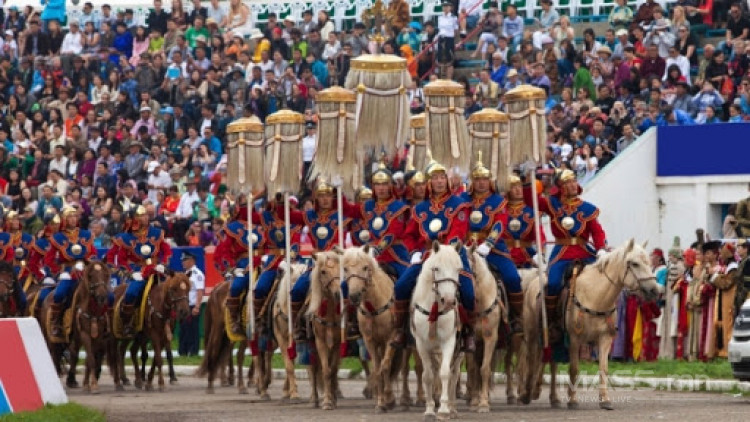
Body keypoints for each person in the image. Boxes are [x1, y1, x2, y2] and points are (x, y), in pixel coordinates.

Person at [391, 159, 476, 352]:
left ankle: (469, 330)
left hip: (453, 253)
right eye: (435, 178)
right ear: (429, 182)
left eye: (442, 177)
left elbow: (458, 233)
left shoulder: (459, 205)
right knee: (401, 286)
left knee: (469, 292)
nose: (439, 182)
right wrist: (413, 252)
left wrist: (446, 251)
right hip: (427, 254)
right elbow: (409, 234)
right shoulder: (420, 209)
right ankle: (401, 329)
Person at [534, 169, 607, 343]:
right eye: (568, 182)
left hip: (584, 251)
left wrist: (601, 249)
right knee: (552, 283)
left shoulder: (586, 208)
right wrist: (534, 183)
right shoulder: (553, 204)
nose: (573, 184)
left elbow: (597, 232)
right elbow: (534, 202)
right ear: (561, 187)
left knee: (605, 278)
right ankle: (552, 321)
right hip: (562, 251)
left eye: (574, 181)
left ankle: (604, 319)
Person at [462, 156, 524, 331]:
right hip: (466, 247)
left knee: (512, 278)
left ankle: (516, 318)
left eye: (485, 179)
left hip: (493, 249)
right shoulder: (462, 199)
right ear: (472, 181)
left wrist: (488, 244)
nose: (481, 183)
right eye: (478, 179)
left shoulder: (499, 201)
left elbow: (499, 224)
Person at [106, 204, 172, 337]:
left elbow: (166, 250)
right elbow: (122, 260)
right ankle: (128, 323)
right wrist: (130, 272)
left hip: (156, 269)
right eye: (141, 215)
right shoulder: (126, 237)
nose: (145, 218)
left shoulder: (156, 232)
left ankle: (169, 322)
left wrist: (163, 264)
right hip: (137, 271)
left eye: (146, 215)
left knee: (173, 291)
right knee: (131, 293)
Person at [216, 195, 265, 336]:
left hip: (262, 259)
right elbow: (225, 251)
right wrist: (232, 267)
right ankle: (235, 319)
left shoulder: (261, 225)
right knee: (237, 286)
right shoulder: (231, 228)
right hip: (243, 262)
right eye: (243, 205)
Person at [46, 206, 96, 340]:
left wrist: (87, 262)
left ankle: (104, 322)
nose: (73, 219)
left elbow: (93, 253)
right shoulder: (57, 237)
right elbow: (49, 259)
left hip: (85, 270)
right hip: (67, 271)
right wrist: (59, 272)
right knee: (60, 294)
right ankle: (56, 322)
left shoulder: (86, 234)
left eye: (75, 216)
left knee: (103, 292)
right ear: (64, 219)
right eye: (70, 217)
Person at [180, 252, 204, 357]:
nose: (183, 262)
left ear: (192, 261)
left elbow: (199, 291)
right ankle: (183, 351)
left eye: (185, 260)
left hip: (192, 305)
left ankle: (193, 351)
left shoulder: (197, 274)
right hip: (184, 306)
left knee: (192, 329)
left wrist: (197, 306)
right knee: (184, 328)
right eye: (183, 260)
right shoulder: (185, 274)